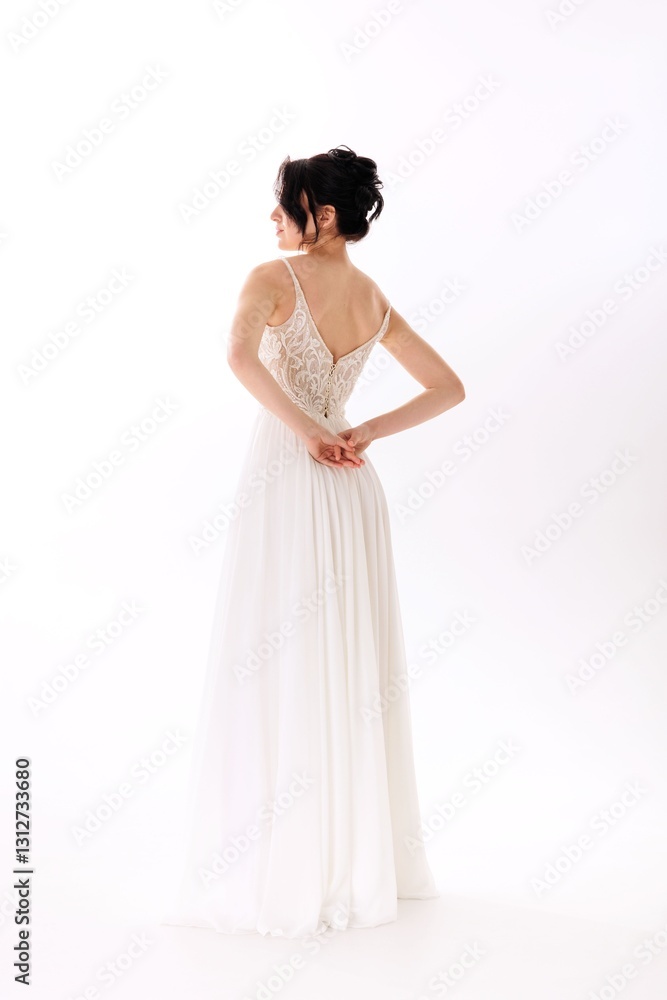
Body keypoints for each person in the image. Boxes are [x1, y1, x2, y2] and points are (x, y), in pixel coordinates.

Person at [164, 144, 465, 939]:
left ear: (321, 215)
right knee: (340, 661)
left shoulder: (272, 280)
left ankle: (283, 865)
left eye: (282, 204)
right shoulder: (371, 298)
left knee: (277, 657)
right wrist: (353, 429)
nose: (271, 218)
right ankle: (345, 860)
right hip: (350, 481)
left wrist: (304, 431)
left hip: (292, 477)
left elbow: (236, 357)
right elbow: (448, 387)